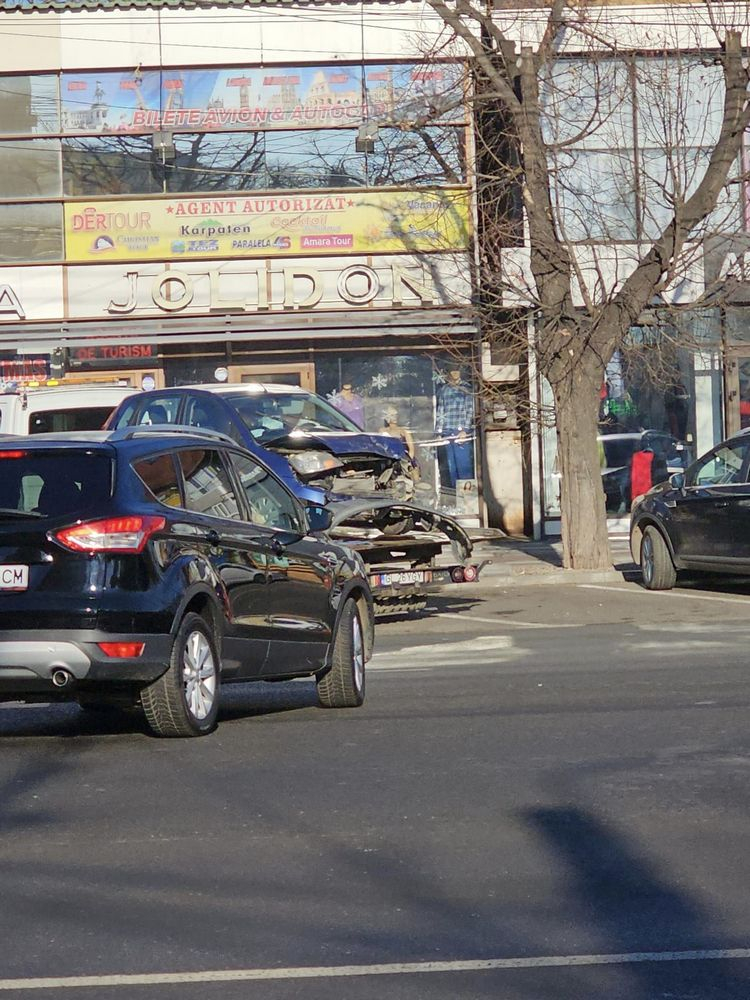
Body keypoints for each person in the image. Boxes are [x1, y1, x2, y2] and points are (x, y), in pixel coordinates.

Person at [435, 369, 475, 491]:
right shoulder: (444, 390)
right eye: (452, 370)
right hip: (447, 431)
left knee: (464, 466)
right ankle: (454, 496)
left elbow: (470, 410)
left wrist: (465, 430)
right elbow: (440, 411)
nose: (455, 373)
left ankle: (467, 499)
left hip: (461, 431)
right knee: (451, 466)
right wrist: (439, 432)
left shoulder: (466, 388)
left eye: (457, 370)